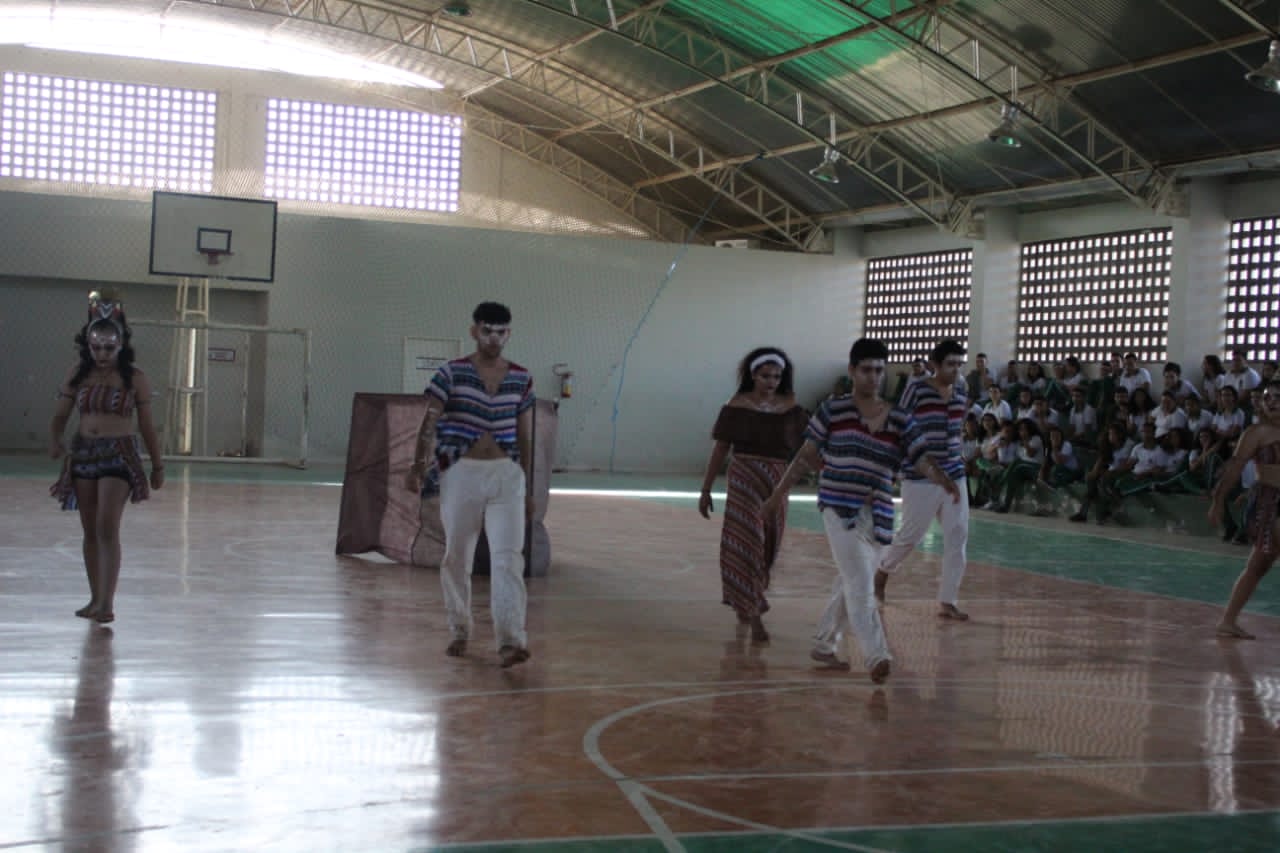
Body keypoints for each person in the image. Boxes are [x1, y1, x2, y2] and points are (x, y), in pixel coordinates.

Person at [760, 338, 958, 683]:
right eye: (866, 370)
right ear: (852, 371)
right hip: (838, 506)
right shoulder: (833, 410)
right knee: (860, 581)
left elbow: (920, 457)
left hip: (879, 512)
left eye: (879, 370)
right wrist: (777, 496)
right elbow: (806, 455)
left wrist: (940, 477)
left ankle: (824, 643)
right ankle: (876, 655)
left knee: (849, 579)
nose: (874, 376)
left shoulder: (899, 418)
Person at [405, 302, 535, 668]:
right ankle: (460, 628)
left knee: (508, 557)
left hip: (507, 475)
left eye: (501, 332)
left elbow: (525, 435)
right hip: (461, 473)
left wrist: (529, 485)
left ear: (509, 334)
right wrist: (417, 465)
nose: (494, 338)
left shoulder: (521, 378)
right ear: (474, 331)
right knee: (457, 555)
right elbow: (429, 420)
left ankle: (511, 640)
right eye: (487, 331)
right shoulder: (452, 373)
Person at [49, 291, 164, 624]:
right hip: (84, 453)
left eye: (108, 349)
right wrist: (55, 440)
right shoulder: (77, 373)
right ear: (87, 345)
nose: (101, 354)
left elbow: (147, 426)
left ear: (121, 346)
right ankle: (95, 598)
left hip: (119, 454)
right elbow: (60, 415)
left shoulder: (135, 377)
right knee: (89, 529)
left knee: (106, 526)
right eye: (96, 348)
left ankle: (107, 603)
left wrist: (157, 465)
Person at [699, 347, 808, 643]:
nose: (771, 381)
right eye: (765, 376)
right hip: (744, 479)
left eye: (777, 376)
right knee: (748, 542)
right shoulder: (736, 406)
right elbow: (721, 448)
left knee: (769, 544)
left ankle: (747, 599)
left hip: (777, 481)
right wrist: (706, 489)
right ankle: (754, 612)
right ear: (753, 375)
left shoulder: (791, 408)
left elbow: (808, 448)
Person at [874, 340, 972, 620]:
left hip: (954, 473)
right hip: (920, 474)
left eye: (959, 364)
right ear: (935, 365)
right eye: (950, 364)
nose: (955, 369)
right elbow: (898, 425)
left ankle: (948, 600)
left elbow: (957, 428)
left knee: (958, 534)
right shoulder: (916, 389)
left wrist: (959, 455)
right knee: (911, 534)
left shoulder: (961, 391)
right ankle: (882, 571)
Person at [1209, 379, 1280, 639]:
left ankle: (1228, 620)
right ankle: (1227, 620)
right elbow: (1234, 468)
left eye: (1277, 397)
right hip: (1269, 504)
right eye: (1267, 397)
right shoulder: (1256, 433)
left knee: (1258, 565)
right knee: (1258, 564)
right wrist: (1218, 501)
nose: (1271, 401)